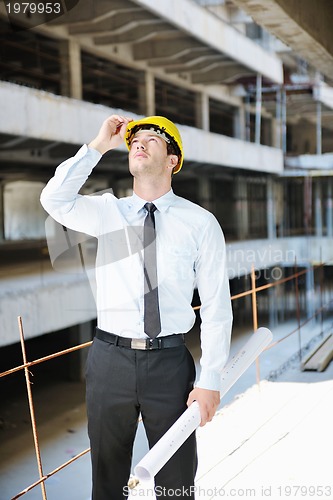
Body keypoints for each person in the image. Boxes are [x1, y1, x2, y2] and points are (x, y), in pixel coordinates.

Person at [40, 114, 233, 499]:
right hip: (110, 360)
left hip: (170, 364)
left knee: (176, 483)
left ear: (173, 161)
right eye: (134, 141)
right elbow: (53, 199)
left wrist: (211, 379)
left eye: (152, 140)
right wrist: (98, 145)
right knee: (108, 481)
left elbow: (216, 305)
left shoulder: (201, 223)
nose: (139, 144)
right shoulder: (107, 212)